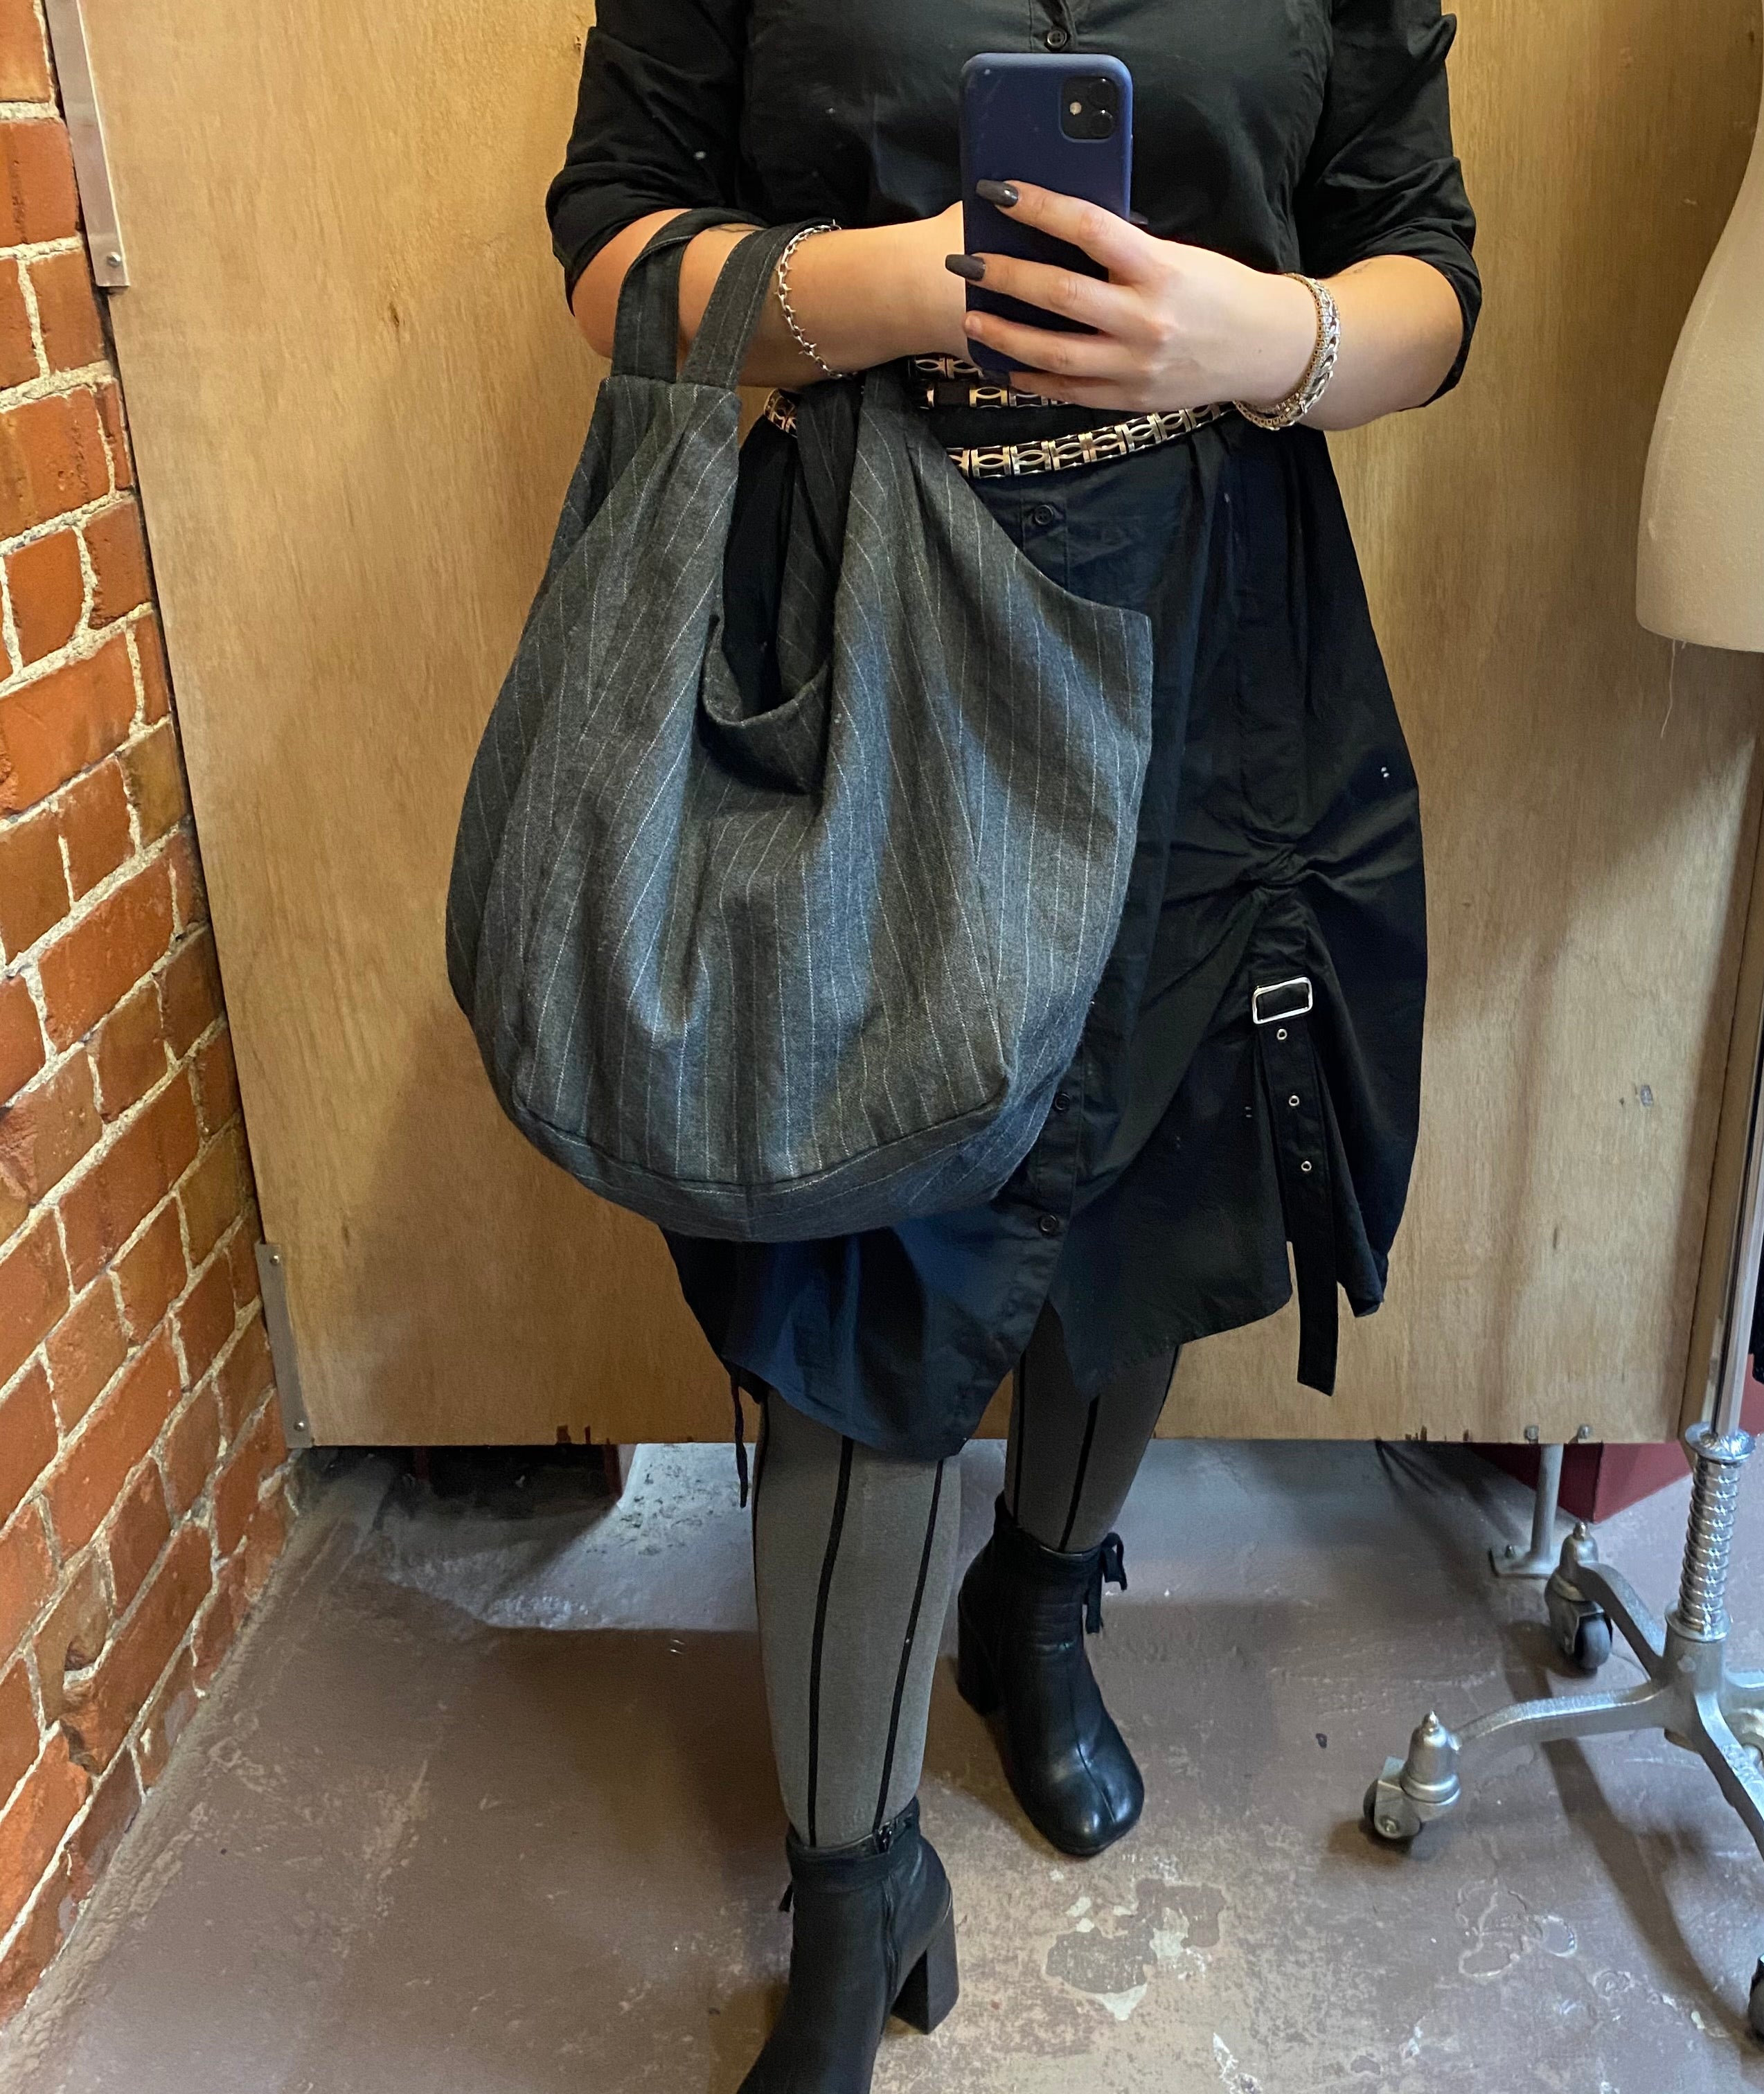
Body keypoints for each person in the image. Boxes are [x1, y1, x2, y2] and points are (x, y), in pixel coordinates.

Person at [546, 5, 1479, 2086]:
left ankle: (1035, 1613)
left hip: (1217, 641)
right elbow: (614, 248)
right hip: (870, 641)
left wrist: (1256, 337)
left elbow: (1429, 278)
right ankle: (854, 1885)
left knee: (1143, 1188)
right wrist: (897, 287)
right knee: (861, 1265)